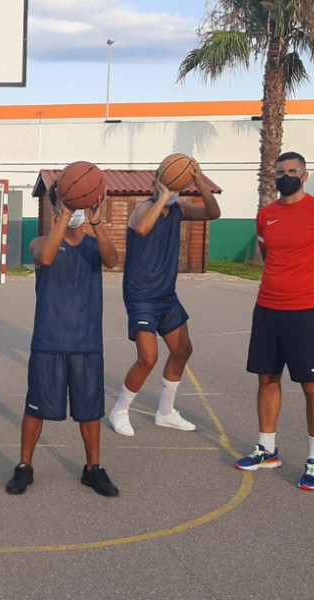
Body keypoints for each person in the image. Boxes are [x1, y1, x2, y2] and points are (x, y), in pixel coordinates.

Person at [235, 151, 314, 490]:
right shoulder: (266, 215)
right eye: (279, 171)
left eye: (292, 170)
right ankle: (267, 450)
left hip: (305, 311)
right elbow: (269, 257)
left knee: (313, 385)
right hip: (267, 308)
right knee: (267, 378)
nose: (285, 176)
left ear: (305, 175)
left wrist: (311, 287)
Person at [5, 184, 119, 496]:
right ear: (55, 208)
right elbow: (44, 258)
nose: (76, 211)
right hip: (49, 341)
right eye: (68, 205)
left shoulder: (94, 245)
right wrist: (63, 214)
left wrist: (97, 222)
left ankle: (93, 468)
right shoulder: (41, 241)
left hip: (87, 342)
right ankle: (24, 466)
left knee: (90, 410)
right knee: (36, 407)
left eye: (80, 205)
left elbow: (112, 260)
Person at [109, 158, 220, 436]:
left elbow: (213, 212)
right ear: (154, 183)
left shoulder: (180, 209)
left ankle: (165, 412)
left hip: (166, 295)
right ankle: (120, 410)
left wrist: (200, 182)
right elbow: (143, 228)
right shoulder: (142, 208)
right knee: (148, 357)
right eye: (162, 181)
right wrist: (164, 196)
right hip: (140, 296)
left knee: (183, 350)